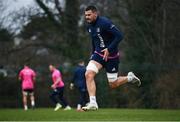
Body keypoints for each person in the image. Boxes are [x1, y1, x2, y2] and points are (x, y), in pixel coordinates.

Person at [82, 6, 141, 111]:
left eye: (89, 14)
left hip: (112, 57)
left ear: (96, 14)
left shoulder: (105, 23)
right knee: (88, 74)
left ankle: (129, 78)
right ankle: (93, 103)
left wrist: (109, 49)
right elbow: (94, 41)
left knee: (113, 84)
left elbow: (119, 36)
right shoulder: (89, 26)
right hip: (98, 55)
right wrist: (92, 54)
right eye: (86, 15)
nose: (87, 17)